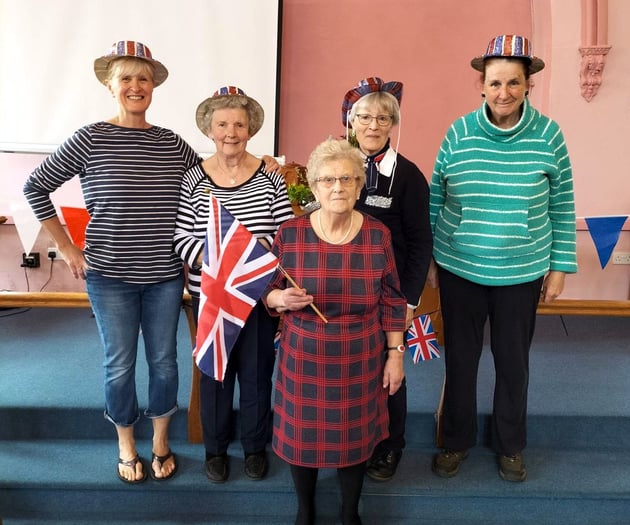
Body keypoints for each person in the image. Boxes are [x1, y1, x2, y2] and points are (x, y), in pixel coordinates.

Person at [23, 41, 201, 483]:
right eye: (126, 78)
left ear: (154, 87)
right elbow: (35, 187)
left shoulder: (172, 143)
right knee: (119, 364)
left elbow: (209, 183)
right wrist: (67, 247)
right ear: (109, 85)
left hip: (164, 276)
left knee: (164, 362)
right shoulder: (89, 138)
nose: (135, 86)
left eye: (144, 78)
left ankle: (160, 441)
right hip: (109, 277)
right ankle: (125, 444)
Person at [428, 35, 577, 482]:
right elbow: (436, 197)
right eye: (495, 82)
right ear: (481, 85)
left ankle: (510, 445)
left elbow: (562, 205)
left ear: (528, 84)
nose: (504, 92)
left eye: (514, 82)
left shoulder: (549, 135)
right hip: (460, 267)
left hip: (521, 270)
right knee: (461, 360)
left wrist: (559, 267)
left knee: (513, 364)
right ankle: (456, 440)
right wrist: (432, 259)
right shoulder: (458, 132)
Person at [264, 138, 407, 525]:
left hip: (359, 356)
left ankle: (349, 512)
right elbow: (266, 290)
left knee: (354, 441)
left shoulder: (377, 235)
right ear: (313, 186)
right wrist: (280, 299)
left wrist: (395, 355)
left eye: (347, 179)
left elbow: (393, 299)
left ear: (360, 186)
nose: (338, 187)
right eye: (327, 180)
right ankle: (305, 509)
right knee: (302, 439)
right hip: (303, 355)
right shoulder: (290, 234)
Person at [173, 86, 292, 483]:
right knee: (214, 375)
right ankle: (216, 451)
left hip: (258, 296)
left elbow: (283, 235)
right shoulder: (194, 178)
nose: (231, 132)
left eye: (239, 124)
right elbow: (182, 237)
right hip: (211, 298)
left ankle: (255, 449)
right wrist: (222, 261)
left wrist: (251, 258)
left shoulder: (270, 177)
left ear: (250, 129)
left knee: (257, 375)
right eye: (222, 124)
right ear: (209, 129)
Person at [342, 77, 432, 481]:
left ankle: (391, 445)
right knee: (350, 368)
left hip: (389, 294)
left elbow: (420, 242)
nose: (373, 126)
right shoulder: (336, 168)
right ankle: (353, 438)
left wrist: (409, 300)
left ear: (393, 123)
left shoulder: (408, 175)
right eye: (364, 117)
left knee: (389, 370)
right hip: (343, 291)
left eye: (382, 118)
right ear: (351, 121)